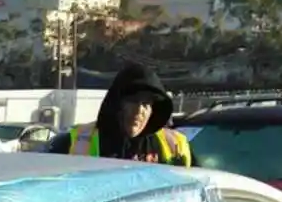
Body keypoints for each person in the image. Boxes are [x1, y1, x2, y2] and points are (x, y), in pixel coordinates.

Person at [47, 62, 191, 166]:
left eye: (146, 104)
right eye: (133, 101)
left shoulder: (175, 145)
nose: (139, 111)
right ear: (117, 103)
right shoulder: (73, 142)